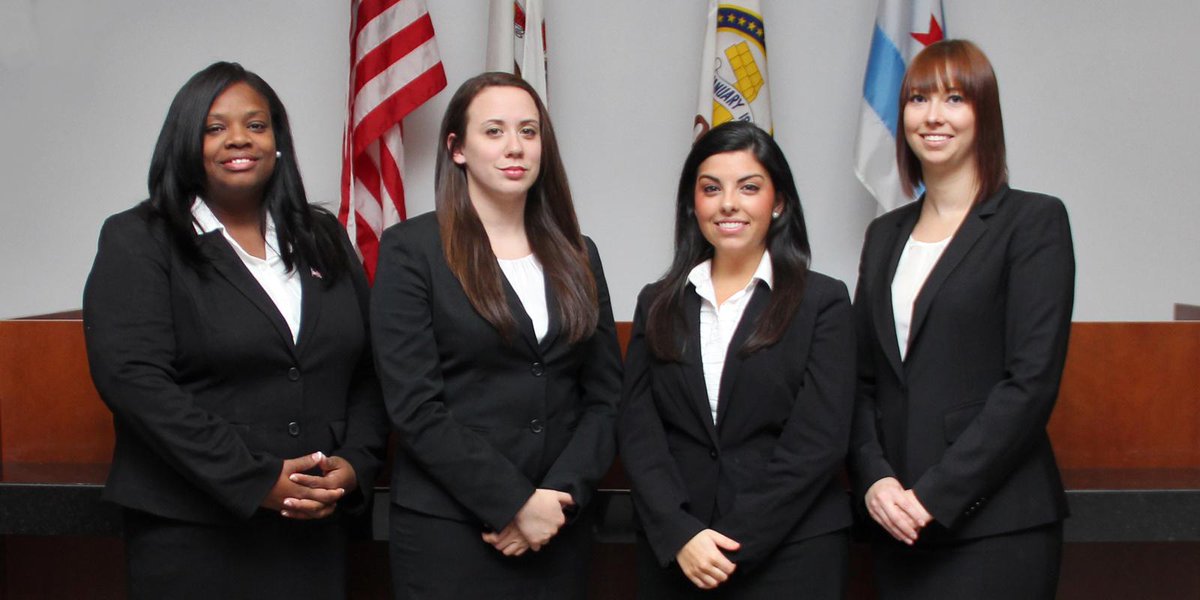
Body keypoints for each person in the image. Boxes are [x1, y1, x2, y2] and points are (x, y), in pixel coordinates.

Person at [82, 62, 388, 599]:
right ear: (185, 142)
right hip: (193, 529)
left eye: (256, 124)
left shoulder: (321, 235)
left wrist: (355, 464)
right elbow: (134, 381)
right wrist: (256, 478)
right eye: (215, 127)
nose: (239, 139)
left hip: (313, 530)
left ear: (277, 141)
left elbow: (366, 368)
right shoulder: (141, 238)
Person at [370, 72, 622, 600]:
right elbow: (415, 407)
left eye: (529, 131)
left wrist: (556, 498)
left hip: (558, 528)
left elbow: (605, 398)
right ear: (457, 149)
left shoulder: (579, 252)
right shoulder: (412, 250)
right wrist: (514, 503)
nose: (515, 147)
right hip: (450, 531)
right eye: (494, 131)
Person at [849, 39, 1075, 599]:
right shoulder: (884, 235)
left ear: (984, 113)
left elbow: (1030, 384)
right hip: (895, 522)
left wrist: (935, 496)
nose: (933, 116)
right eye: (918, 98)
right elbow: (860, 381)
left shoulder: (1033, 222)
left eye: (954, 98)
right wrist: (875, 479)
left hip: (995, 524)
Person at [618, 121, 855, 599]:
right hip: (679, 551)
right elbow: (639, 429)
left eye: (749, 187)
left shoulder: (823, 302)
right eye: (711, 188)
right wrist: (680, 533)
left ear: (779, 202)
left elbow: (818, 441)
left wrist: (732, 541)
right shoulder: (657, 302)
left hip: (791, 552)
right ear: (693, 203)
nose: (729, 203)